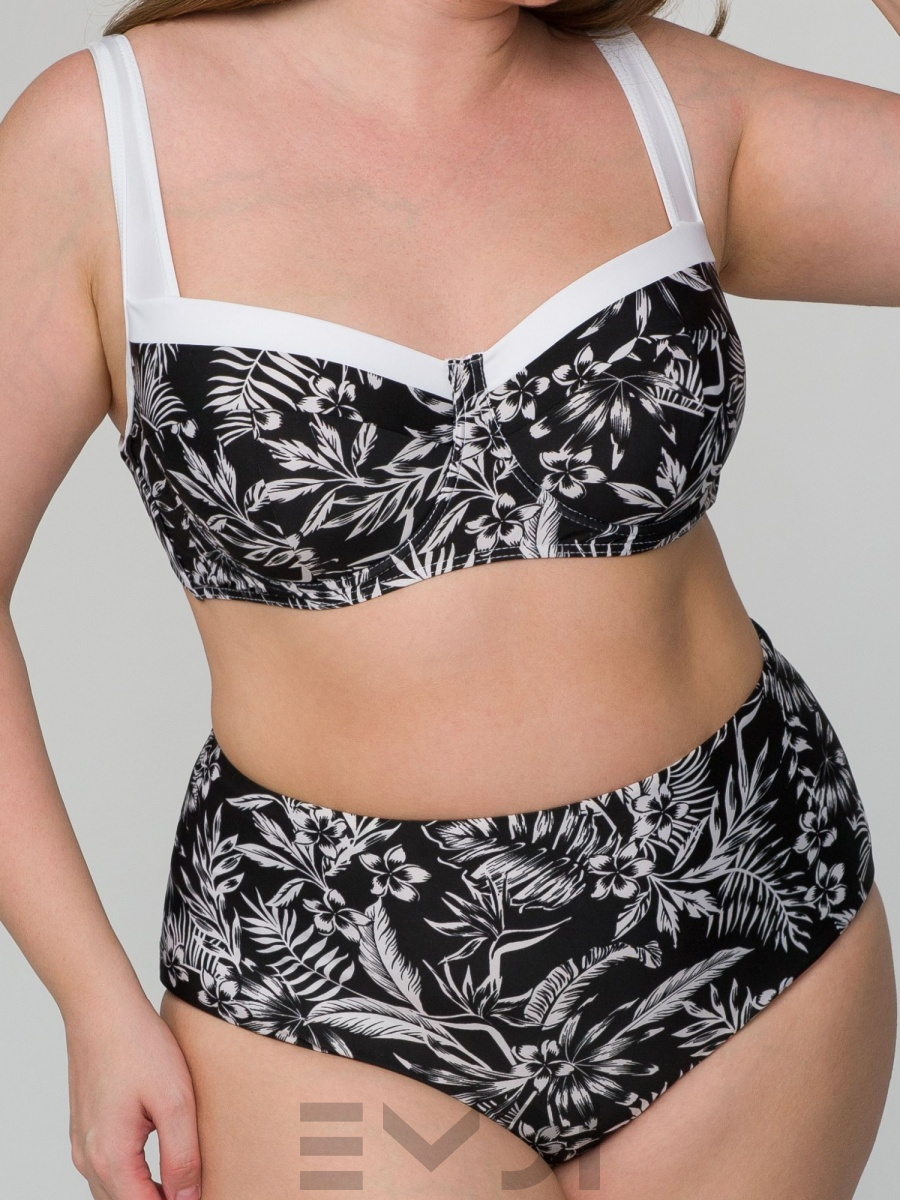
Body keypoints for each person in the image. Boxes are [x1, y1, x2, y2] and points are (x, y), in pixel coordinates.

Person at [0, 0, 897, 1197]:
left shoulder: (669, 100)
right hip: (329, 976)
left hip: (748, 904)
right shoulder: (101, 136)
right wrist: (89, 996)